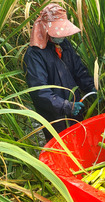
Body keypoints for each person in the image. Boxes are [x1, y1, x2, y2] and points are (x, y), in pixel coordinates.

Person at [23, 3, 96, 142]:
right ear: (45, 29)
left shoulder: (64, 44)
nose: (61, 36)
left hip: (74, 105)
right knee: (61, 145)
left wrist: (92, 87)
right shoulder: (34, 55)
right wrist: (66, 106)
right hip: (54, 115)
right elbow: (40, 92)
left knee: (79, 140)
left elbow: (78, 70)